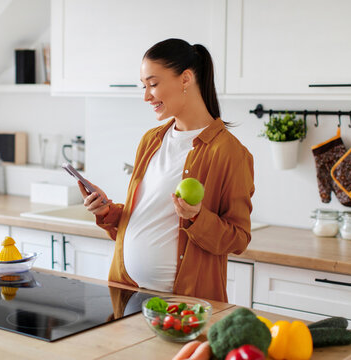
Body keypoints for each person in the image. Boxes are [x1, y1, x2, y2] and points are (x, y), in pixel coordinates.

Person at [79, 38, 254, 303]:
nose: (146, 96)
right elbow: (144, 220)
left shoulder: (229, 153)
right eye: (144, 86)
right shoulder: (152, 140)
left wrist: (196, 218)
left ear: (185, 79)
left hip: (183, 306)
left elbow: (238, 240)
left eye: (153, 84)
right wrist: (107, 211)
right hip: (127, 292)